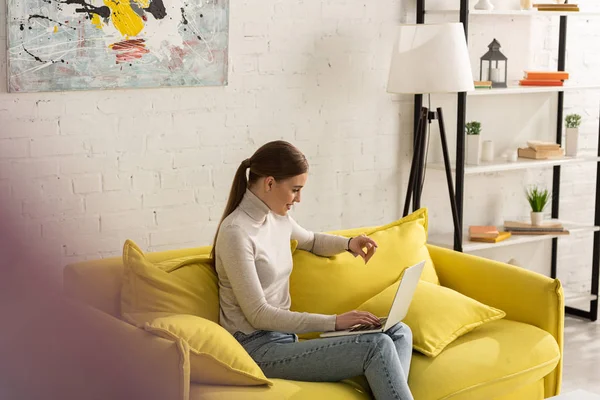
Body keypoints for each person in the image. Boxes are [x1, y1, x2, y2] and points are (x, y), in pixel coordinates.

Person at [211, 140, 414, 400]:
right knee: (376, 346)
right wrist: (335, 321)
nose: (299, 199)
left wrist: (350, 244)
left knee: (398, 331)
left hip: (286, 340)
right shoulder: (235, 232)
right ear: (269, 183)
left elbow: (313, 241)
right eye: (295, 190)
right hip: (256, 349)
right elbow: (258, 314)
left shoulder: (277, 217)